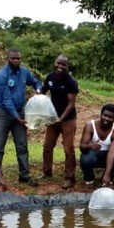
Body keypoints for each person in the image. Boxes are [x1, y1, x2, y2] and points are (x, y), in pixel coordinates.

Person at [0, 49, 42, 186]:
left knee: (22, 145)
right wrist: (17, 118)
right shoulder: (1, 76)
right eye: (13, 58)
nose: (16, 61)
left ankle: (24, 176)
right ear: (7, 59)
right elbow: (6, 100)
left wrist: (38, 90)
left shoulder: (24, 72)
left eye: (18, 58)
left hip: (20, 113)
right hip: (3, 114)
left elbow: (36, 82)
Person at [41, 55, 79, 189]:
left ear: (67, 66)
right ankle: (47, 172)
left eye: (64, 64)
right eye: (59, 63)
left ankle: (70, 178)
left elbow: (71, 104)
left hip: (67, 119)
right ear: (54, 63)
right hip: (53, 117)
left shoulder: (71, 82)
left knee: (68, 148)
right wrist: (38, 96)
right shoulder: (50, 77)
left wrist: (61, 118)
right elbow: (43, 91)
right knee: (47, 145)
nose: (61, 66)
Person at [79, 103, 114, 187]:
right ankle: (89, 177)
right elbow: (82, 147)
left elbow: (112, 153)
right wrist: (90, 146)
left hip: (107, 157)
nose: (106, 119)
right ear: (101, 114)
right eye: (105, 115)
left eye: (110, 117)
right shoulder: (90, 126)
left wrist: (107, 174)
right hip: (92, 156)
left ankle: (108, 177)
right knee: (86, 158)